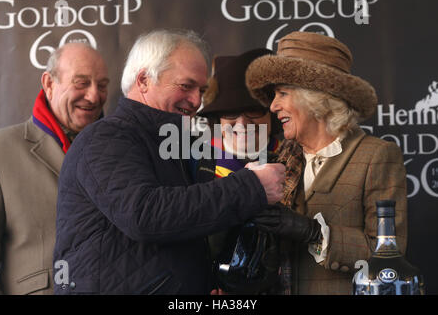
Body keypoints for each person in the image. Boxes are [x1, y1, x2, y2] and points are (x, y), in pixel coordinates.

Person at [53, 29, 285, 295]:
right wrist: (251, 187)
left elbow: (186, 227)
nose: (197, 101)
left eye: (202, 90)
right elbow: (144, 215)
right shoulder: (106, 137)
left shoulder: (175, 145)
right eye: (186, 86)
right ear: (143, 80)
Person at [245, 31, 408, 294]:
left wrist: (313, 232)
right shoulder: (277, 161)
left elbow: (389, 253)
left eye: (282, 94)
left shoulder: (377, 156)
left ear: (317, 96)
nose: (273, 106)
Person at [0, 43, 109, 295]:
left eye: (103, 85)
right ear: (49, 83)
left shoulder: (122, 150)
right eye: (81, 82)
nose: (94, 96)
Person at [196, 48, 286, 294]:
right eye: (231, 112)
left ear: (273, 115)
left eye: (254, 110)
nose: (243, 123)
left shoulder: (298, 160)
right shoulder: (194, 164)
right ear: (218, 119)